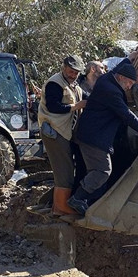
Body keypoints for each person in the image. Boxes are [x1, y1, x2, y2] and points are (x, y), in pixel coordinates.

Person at [68, 60, 138, 215]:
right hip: (94, 137)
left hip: (90, 134)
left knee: (94, 172)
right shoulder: (111, 91)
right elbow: (127, 115)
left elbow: (119, 67)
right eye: (129, 82)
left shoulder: (107, 78)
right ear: (121, 77)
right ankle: (78, 199)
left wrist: (132, 58)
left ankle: (91, 206)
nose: (130, 87)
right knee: (103, 171)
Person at [38, 55, 87, 215]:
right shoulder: (55, 83)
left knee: (66, 168)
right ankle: (60, 207)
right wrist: (76, 106)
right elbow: (53, 106)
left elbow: (85, 96)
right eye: (71, 71)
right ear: (64, 68)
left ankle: (58, 204)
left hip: (63, 132)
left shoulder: (73, 84)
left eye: (76, 73)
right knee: (64, 170)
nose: (73, 75)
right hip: (54, 131)